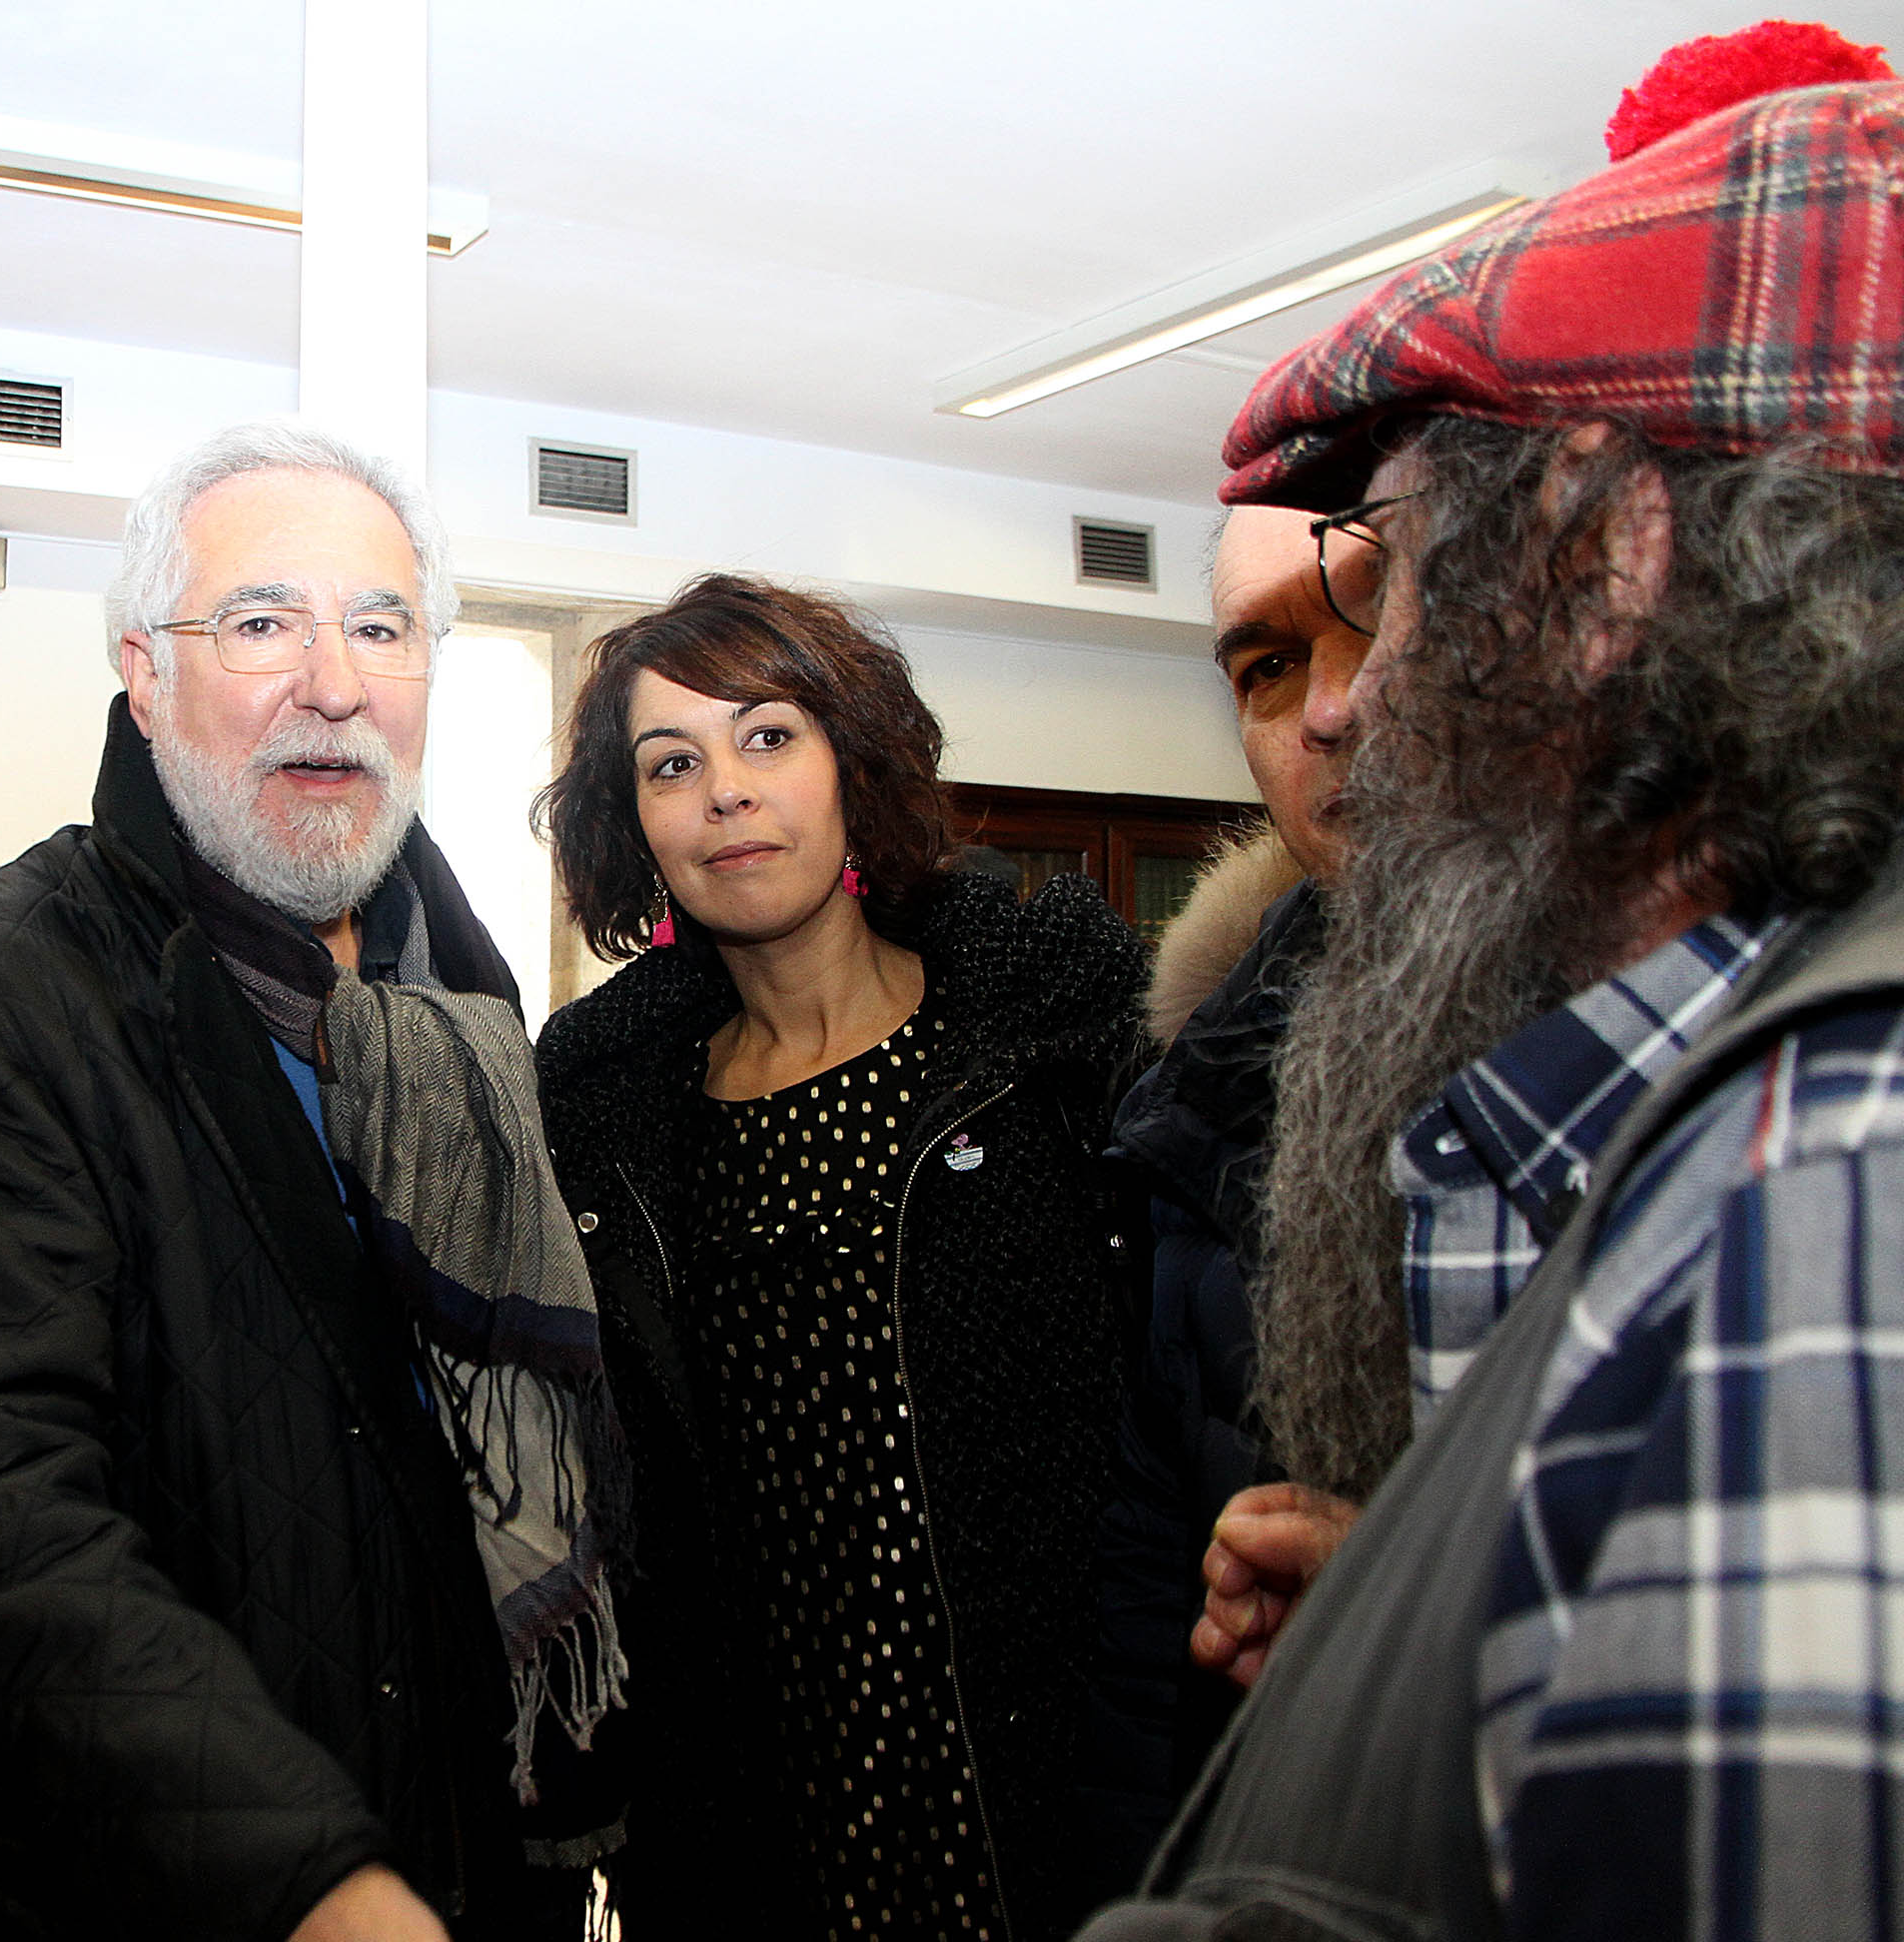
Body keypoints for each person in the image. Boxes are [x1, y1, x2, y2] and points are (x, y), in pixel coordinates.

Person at [1085, 63, 1904, 1941]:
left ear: (1600, 562)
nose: (1354, 702)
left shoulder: (1835, 1179)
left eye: (1392, 572)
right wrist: (1447, 1620)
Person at [0, 420, 624, 1941]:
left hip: (476, 1832)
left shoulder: (458, 983)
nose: (334, 682)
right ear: (145, 675)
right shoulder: (0, 992)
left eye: (381, 628)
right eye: (262, 623)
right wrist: (309, 1876)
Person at [532, 572, 1146, 1941]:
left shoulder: (1039, 1043)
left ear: (851, 768)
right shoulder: (605, 1124)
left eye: (768, 736)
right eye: (672, 763)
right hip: (762, 1800)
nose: (726, 793)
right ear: (633, 825)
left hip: (1043, 1774)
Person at [1080, 502, 1376, 1880]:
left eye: (1382, 604)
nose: (1330, 706)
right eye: (1266, 665)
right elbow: (1149, 1613)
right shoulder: (1197, 1108)